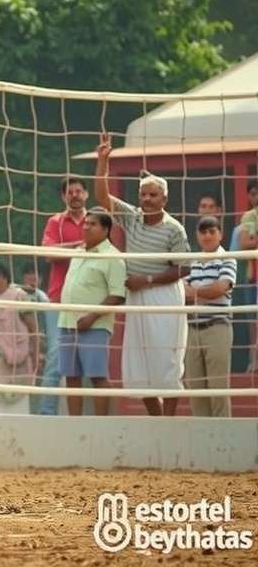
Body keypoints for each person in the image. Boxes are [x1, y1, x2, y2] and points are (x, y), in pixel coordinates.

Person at [95, 133, 190, 416]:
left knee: (167, 360)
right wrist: (103, 162)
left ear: (165, 198)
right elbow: (103, 197)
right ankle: (156, 420)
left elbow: (183, 267)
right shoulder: (132, 216)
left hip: (163, 296)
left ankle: (168, 425)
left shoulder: (175, 228)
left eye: (153, 195)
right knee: (138, 364)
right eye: (144, 194)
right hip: (137, 297)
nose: (147, 199)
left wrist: (147, 280)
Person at [58, 208, 126, 416]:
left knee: (98, 377)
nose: (86, 227)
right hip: (67, 322)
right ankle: (74, 425)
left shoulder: (113, 257)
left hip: (94, 326)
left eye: (92, 224)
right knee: (71, 377)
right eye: (85, 223)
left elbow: (118, 294)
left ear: (106, 230)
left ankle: (103, 425)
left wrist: (92, 316)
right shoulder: (79, 251)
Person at [39, 177, 88, 414]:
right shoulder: (55, 222)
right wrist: (80, 246)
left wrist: (66, 249)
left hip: (91, 302)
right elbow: (48, 254)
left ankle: (86, 418)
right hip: (58, 299)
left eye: (79, 191)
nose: (75, 195)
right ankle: (47, 415)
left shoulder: (96, 221)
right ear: (63, 196)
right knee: (56, 360)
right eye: (70, 192)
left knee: (90, 361)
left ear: (86, 195)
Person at [183, 216, 236, 417]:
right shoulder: (192, 260)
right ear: (197, 235)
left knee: (218, 388)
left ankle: (223, 442)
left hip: (217, 327)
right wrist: (203, 291)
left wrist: (194, 291)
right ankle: (202, 440)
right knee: (195, 390)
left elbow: (221, 288)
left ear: (220, 234)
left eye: (212, 231)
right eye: (203, 232)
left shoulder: (228, 257)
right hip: (192, 329)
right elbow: (182, 291)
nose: (207, 236)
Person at [0, 262, 39, 414]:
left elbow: (33, 329)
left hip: (16, 361)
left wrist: (36, 357)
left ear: (2, 277)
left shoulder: (18, 296)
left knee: (16, 402)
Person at [19, 265, 56, 415]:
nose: (32, 280)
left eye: (35, 276)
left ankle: (40, 411)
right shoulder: (17, 295)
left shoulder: (43, 299)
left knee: (42, 380)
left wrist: (41, 349)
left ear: (40, 279)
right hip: (23, 348)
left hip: (43, 347)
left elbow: (47, 327)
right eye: (29, 275)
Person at [236, 180, 258, 371]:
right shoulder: (249, 217)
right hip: (254, 276)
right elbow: (245, 243)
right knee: (253, 320)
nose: (256, 197)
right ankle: (254, 360)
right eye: (253, 193)